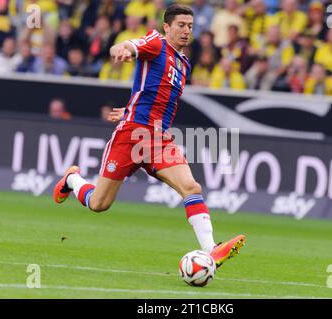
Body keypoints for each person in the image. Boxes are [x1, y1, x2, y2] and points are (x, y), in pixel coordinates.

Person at [53, 4, 246, 268]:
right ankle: (73, 179)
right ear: (167, 27)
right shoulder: (155, 42)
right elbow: (129, 46)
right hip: (131, 137)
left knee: (191, 187)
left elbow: (159, 97)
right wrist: (121, 49)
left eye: (190, 26)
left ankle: (211, 249)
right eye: (180, 25)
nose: (186, 31)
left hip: (158, 139)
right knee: (99, 204)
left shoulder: (184, 63)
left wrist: (131, 107)